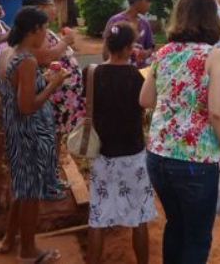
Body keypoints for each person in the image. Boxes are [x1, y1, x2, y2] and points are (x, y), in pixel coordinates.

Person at [140, 0, 220, 264]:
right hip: (196, 160)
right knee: (196, 237)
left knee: (176, 226)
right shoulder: (214, 55)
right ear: (211, 17)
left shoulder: (163, 53)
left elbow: (145, 99)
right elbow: (218, 112)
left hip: (158, 157)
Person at [0, 6, 69, 263]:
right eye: (45, 28)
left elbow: (16, 94)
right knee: (30, 194)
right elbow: (26, 106)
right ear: (35, 30)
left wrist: (42, 80)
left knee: (21, 186)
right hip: (30, 134)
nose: (46, 34)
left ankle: (8, 240)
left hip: (15, 131)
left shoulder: (7, 53)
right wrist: (52, 84)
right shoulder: (26, 60)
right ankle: (28, 251)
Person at [86, 22, 157, 264]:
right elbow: (148, 107)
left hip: (102, 153)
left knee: (97, 218)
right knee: (139, 218)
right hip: (133, 154)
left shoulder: (92, 73)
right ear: (130, 48)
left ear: (107, 43)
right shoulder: (138, 77)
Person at [22, 0, 85, 142]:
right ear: (40, 8)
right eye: (51, 5)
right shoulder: (35, 30)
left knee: (54, 136)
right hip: (54, 95)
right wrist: (66, 41)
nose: (55, 9)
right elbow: (45, 58)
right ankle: (50, 164)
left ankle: (52, 163)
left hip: (60, 95)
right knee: (51, 136)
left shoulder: (42, 28)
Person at [103, 0, 155, 68]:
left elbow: (151, 47)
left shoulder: (145, 23)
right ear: (138, 1)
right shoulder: (115, 21)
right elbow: (106, 50)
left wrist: (145, 53)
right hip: (119, 71)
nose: (149, 4)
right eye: (147, 1)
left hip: (140, 73)